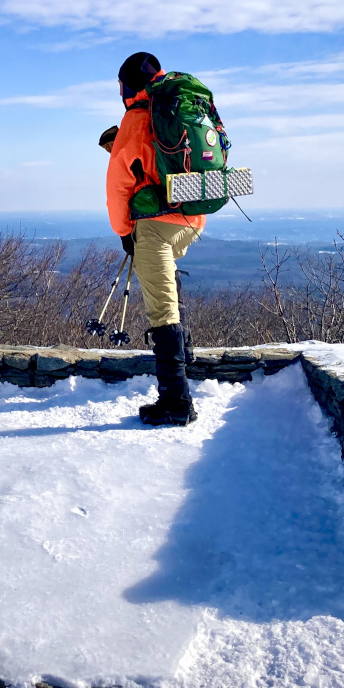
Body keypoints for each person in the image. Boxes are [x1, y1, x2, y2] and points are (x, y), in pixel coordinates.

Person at [105, 51, 204, 426]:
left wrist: (125, 232)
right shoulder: (182, 104)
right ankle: (186, 353)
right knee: (165, 282)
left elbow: (118, 185)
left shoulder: (136, 117)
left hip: (155, 226)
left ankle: (176, 403)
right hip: (192, 218)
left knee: (161, 310)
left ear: (127, 86)